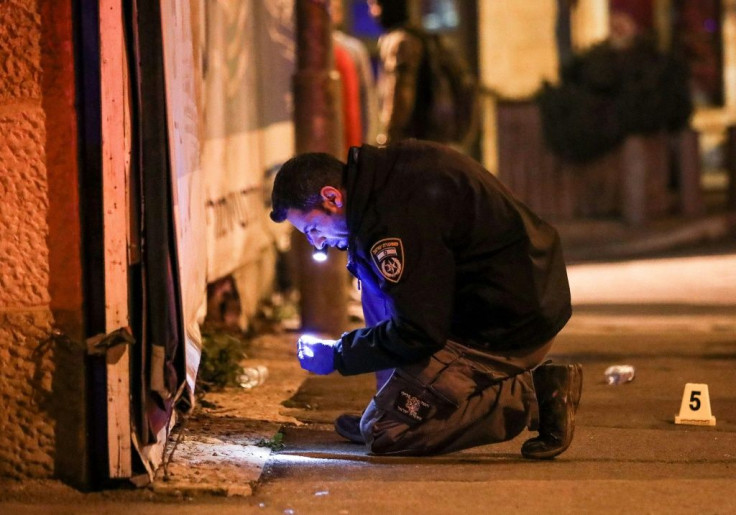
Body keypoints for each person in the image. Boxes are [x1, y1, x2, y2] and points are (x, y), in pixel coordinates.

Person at [270, 140, 583, 457]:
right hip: (506, 294)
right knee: (374, 280)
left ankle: (537, 396)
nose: (317, 243)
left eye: (312, 229)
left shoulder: (394, 222)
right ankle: (389, 401)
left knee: (384, 433)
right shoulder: (381, 180)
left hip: (504, 325)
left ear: (332, 197)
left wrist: (338, 355)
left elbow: (419, 330)